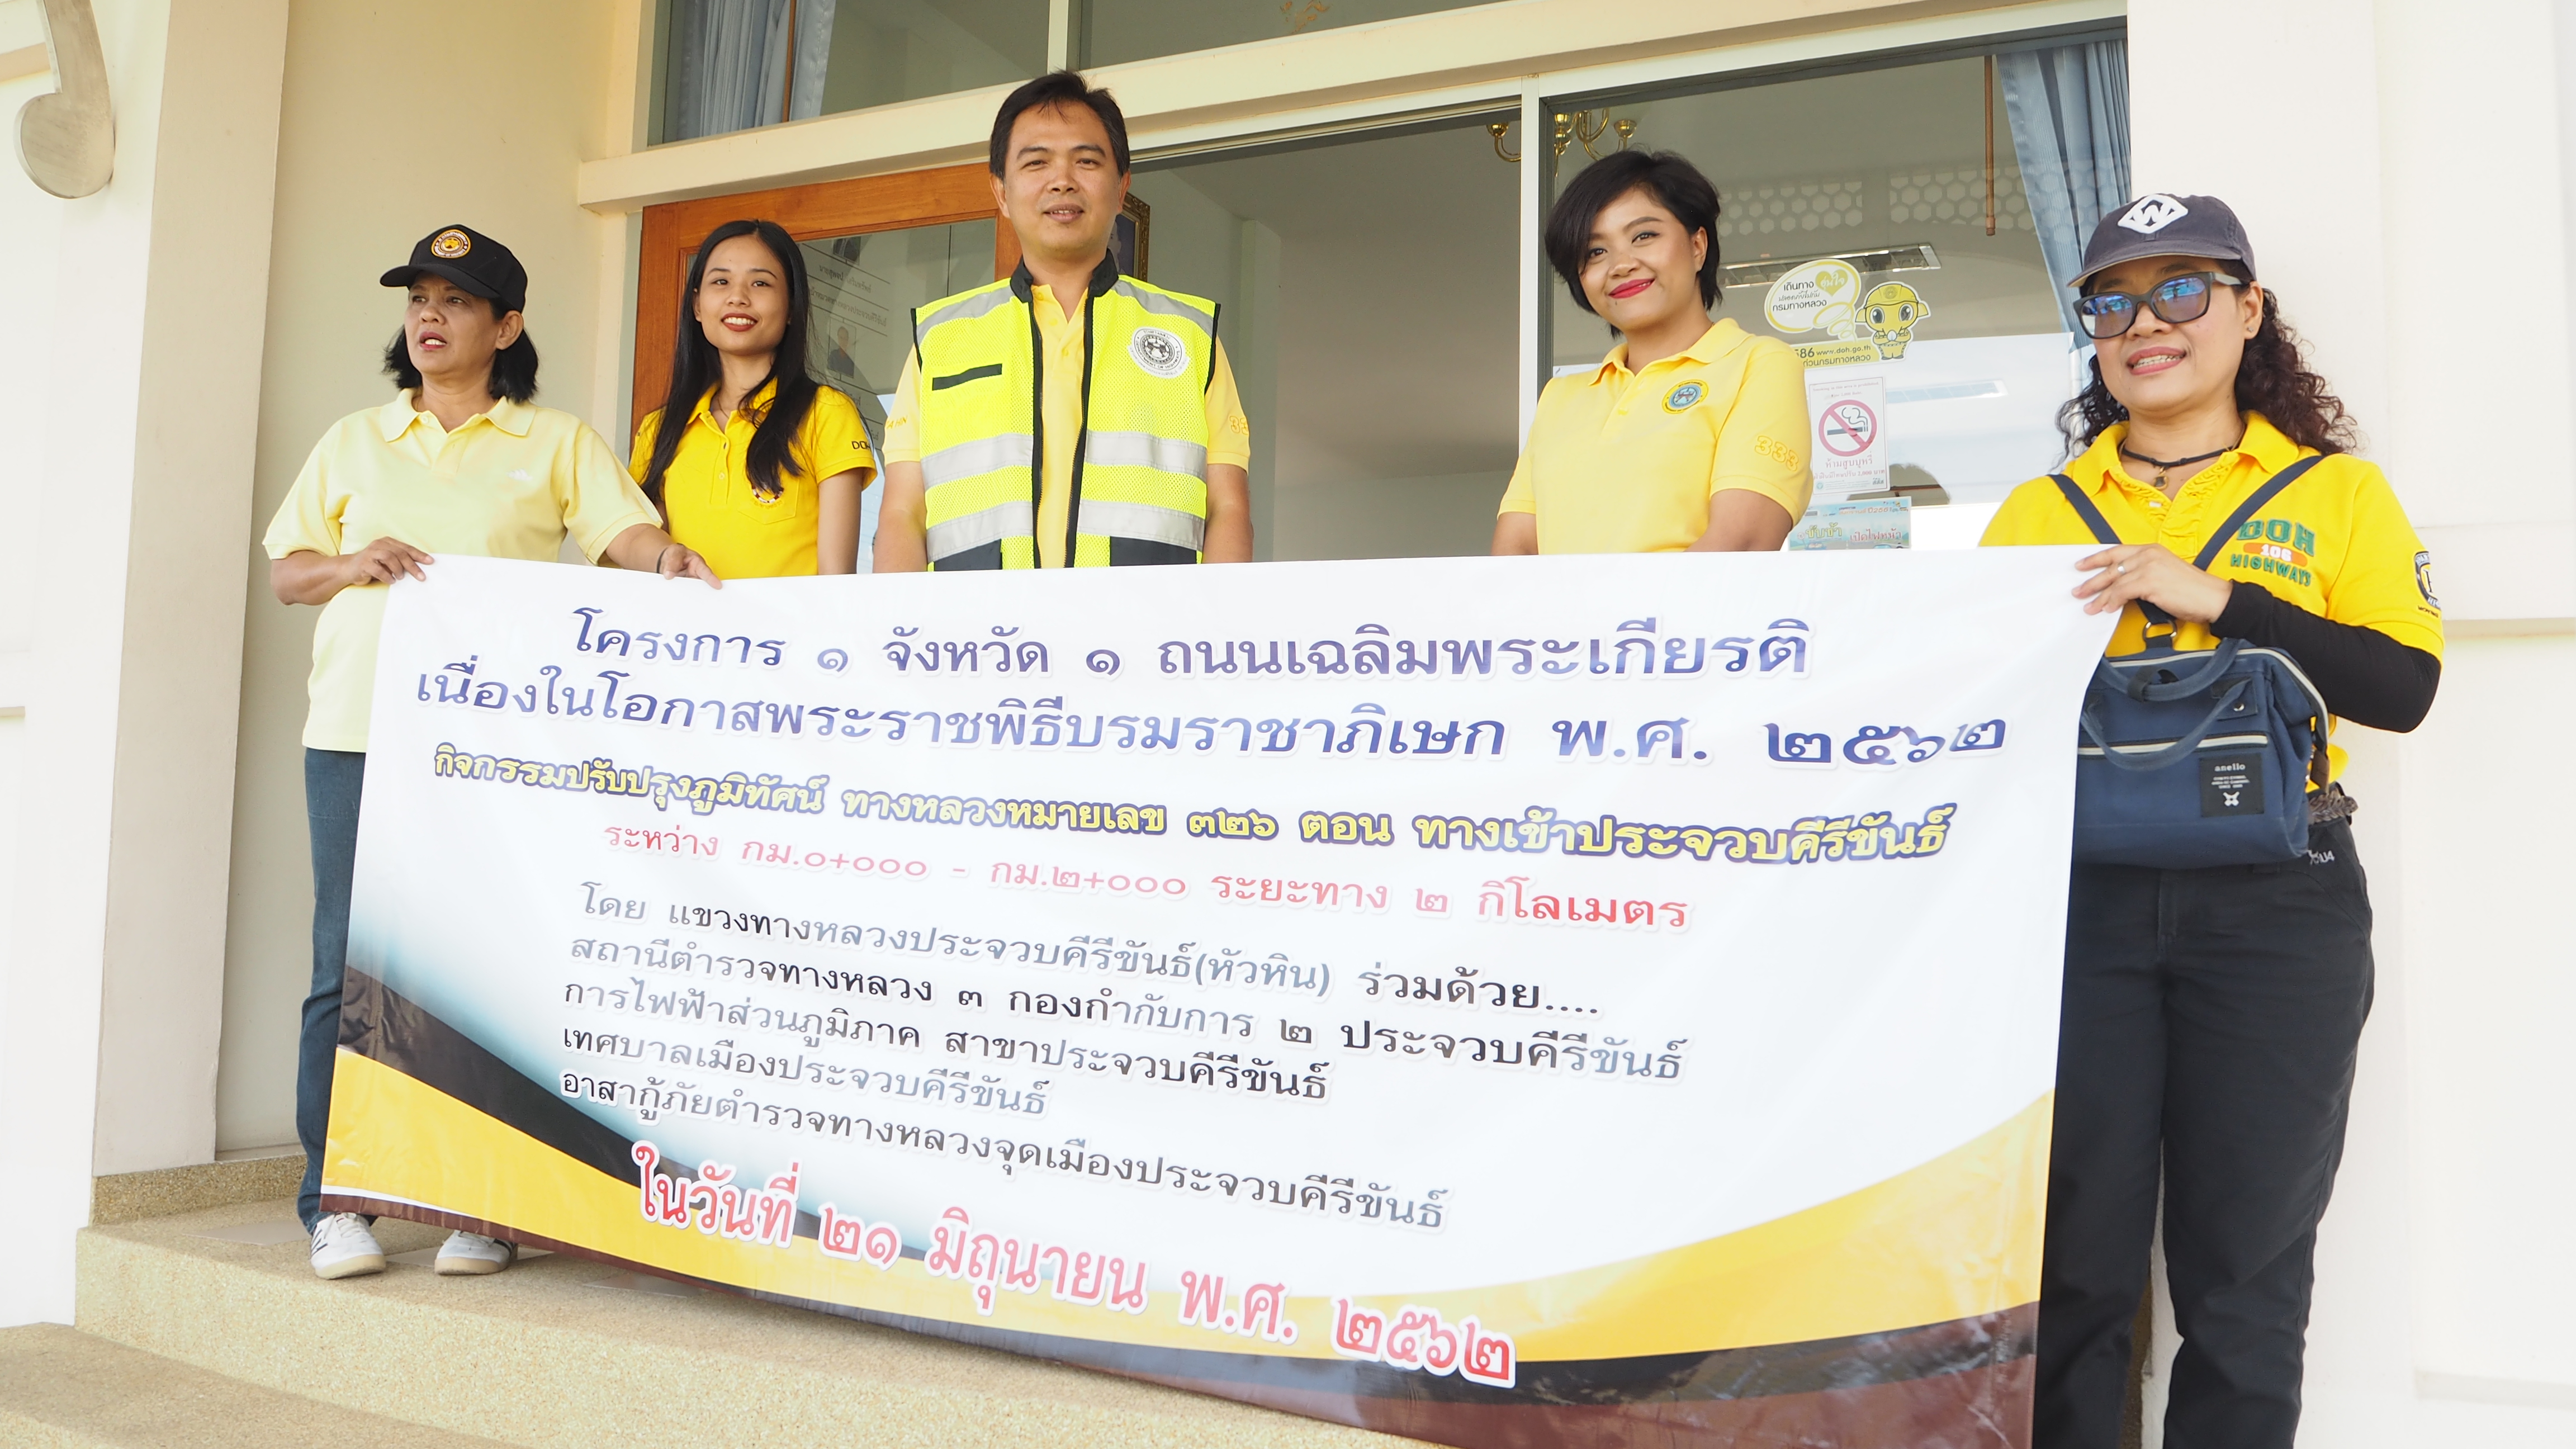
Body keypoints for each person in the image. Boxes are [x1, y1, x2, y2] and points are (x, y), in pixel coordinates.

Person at [1981, 195, 2442, 1448]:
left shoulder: (2337, 493)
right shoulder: (2037, 512)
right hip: (2080, 907)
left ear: (2247, 311)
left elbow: (2403, 688)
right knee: (2073, 1259)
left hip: (2278, 903)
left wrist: (2218, 597)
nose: (2147, 323)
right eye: (2114, 302)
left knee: (2246, 1271)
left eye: (2181, 290)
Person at [266, 225, 719, 1282]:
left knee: (486, 967)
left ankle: (484, 1202)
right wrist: (352, 562)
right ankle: (334, 1201)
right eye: (419, 299)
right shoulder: (355, 440)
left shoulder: (552, 441)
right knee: (344, 965)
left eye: (457, 301)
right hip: (357, 734)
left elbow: (619, 535)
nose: (430, 317)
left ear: (506, 327)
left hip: (489, 751)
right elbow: (290, 574)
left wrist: (669, 560)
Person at [873, 70, 1254, 571]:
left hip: (1143, 617)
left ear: (1122, 188)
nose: (1062, 180)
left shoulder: (1190, 336)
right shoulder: (939, 341)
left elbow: (1228, 507)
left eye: (1086, 161)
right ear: (1001, 192)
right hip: (980, 621)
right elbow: (902, 512)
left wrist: (1214, 618)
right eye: (1037, 162)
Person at [1495, 149, 1811, 555]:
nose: (1621, 265)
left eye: (1644, 236)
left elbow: (1739, 544)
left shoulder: (1758, 365)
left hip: (1689, 602)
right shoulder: (1560, 398)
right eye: (1595, 252)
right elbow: (1514, 556)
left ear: (1697, 246)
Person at [632, 219, 876, 576]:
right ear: (697, 306)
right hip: (688, 617)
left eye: (760, 283)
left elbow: (835, 580)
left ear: (791, 307)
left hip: (794, 617)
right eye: (721, 282)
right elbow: (644, 558)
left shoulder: (826, 413)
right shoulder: (659, 430)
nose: (738, 297)